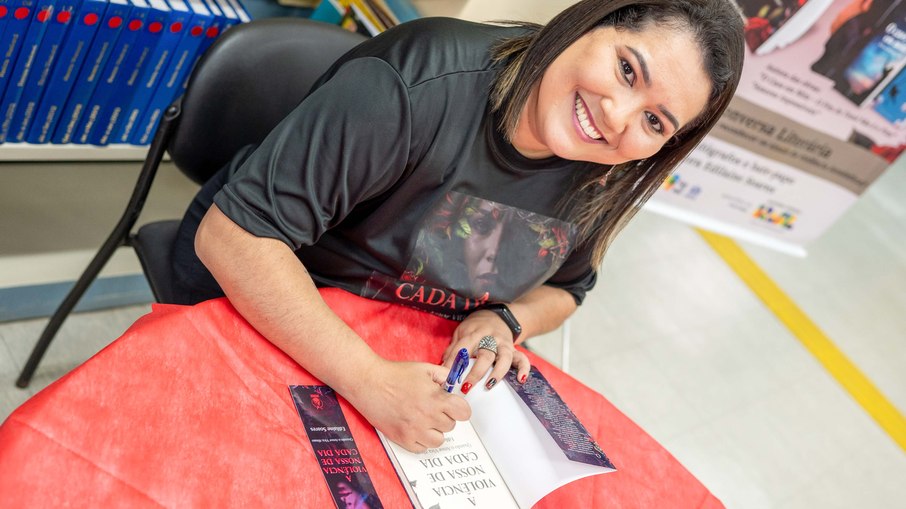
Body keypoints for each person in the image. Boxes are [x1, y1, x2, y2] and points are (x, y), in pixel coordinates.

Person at [171, 0, 744, 453]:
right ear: (588, 22)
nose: (616, 118)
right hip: (261, 302)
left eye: (653, 120)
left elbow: (567, 289)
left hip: (394, 354)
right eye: (625, 69)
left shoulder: (603, 175)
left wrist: (504, 319)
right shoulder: (419, 82)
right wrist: (367, 379)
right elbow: (235, 237)